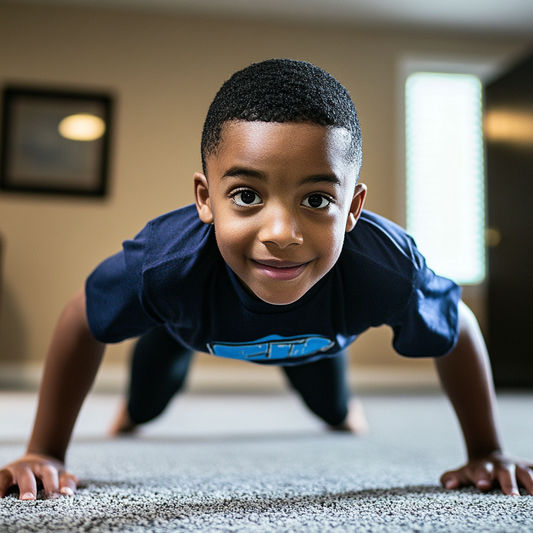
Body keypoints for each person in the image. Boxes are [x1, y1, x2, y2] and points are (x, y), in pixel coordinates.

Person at [1, 59, 532, 501]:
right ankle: (133, 411)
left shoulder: (387, 270)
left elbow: (456, 326)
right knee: (145, 403)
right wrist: (45, 449)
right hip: (186, 324)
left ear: (353, 208)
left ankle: (346, 410)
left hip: (320, 341)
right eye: (248, 196)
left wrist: (485, 450)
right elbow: (81, 319)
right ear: (206, 198)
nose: (281, 234)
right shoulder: (163, 268)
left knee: (335, 412)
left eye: (318, 200)